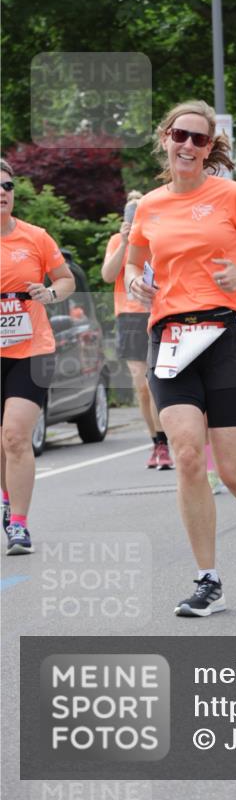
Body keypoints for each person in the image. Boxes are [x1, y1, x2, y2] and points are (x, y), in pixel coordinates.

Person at [125, 100, 236, 617]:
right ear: (166, 139)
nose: (188, 146)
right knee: (189, 456)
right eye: (181, 135)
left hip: (227, 336)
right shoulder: (150, 206)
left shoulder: (232, 195)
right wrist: (134, 281)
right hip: (171, 337)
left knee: (234, 471)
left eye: (200, 139)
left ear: (209, 148)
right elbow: (133, 262)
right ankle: (207, 579)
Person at [1, 158, 75, 554]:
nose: (2, 192)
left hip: (32, 350)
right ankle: (6, 497)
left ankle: (19, 523)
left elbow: (66, 280)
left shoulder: (35, 237)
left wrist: (50, 293)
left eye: (7, 186)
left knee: (15, 435)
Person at [101, 190, 172, 469]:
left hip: (158, 313)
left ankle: (167, 440)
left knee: (156, 382)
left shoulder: (159, 238)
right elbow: (108, 275)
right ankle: (157, 442)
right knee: (142, 386)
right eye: (130, 218)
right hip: (129, 317)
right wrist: (124, 242)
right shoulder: (117, 241)